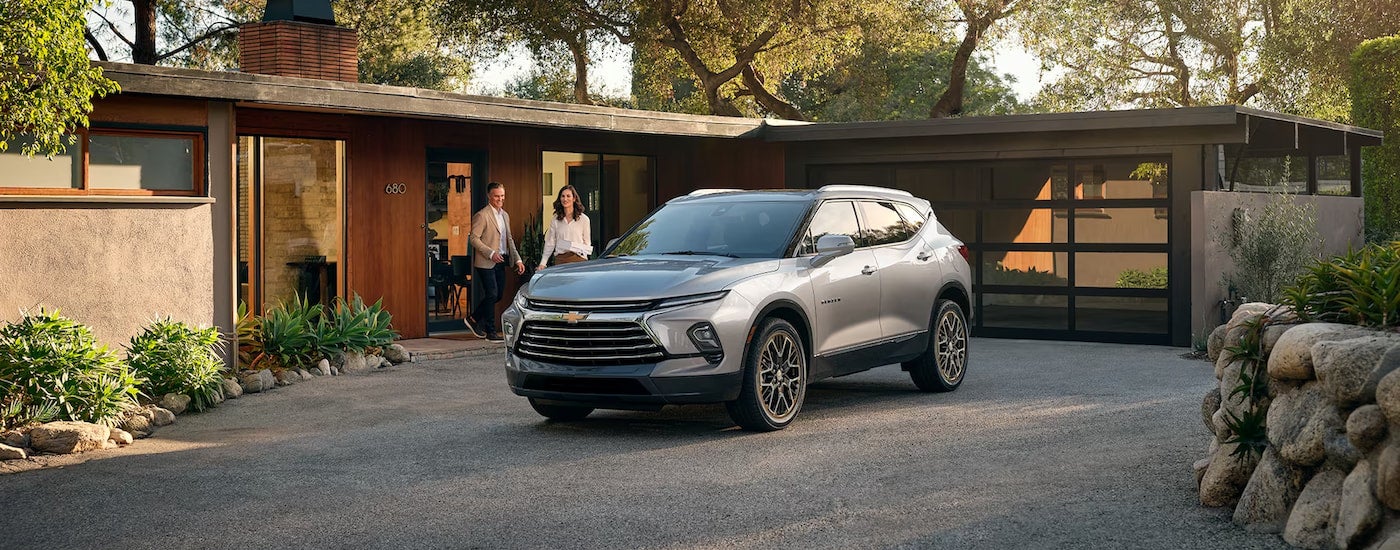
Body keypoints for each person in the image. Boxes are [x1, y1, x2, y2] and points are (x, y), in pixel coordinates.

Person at [468, 181, 525, 341]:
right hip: (486, 262)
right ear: (489, 196)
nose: (500, 199)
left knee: (498, 295)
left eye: (502, 196)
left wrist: (518, 259)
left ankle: (473, 319)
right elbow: (473, 238)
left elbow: (510, 239)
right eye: (497, 196)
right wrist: (490, 253)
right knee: (492, 293)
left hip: (502, 260)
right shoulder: (482, 215)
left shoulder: (505, 215)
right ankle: (490, 332)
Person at [537, 184, 593, 271]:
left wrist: (573, 246)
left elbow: (587, 243)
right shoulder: (555, 219)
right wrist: (543, 263)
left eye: (568, 196)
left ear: (574, 198)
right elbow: (550, 242)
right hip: (561, 261)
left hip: (579, 261)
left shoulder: (584, 219)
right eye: (562, 196)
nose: (565, 199)